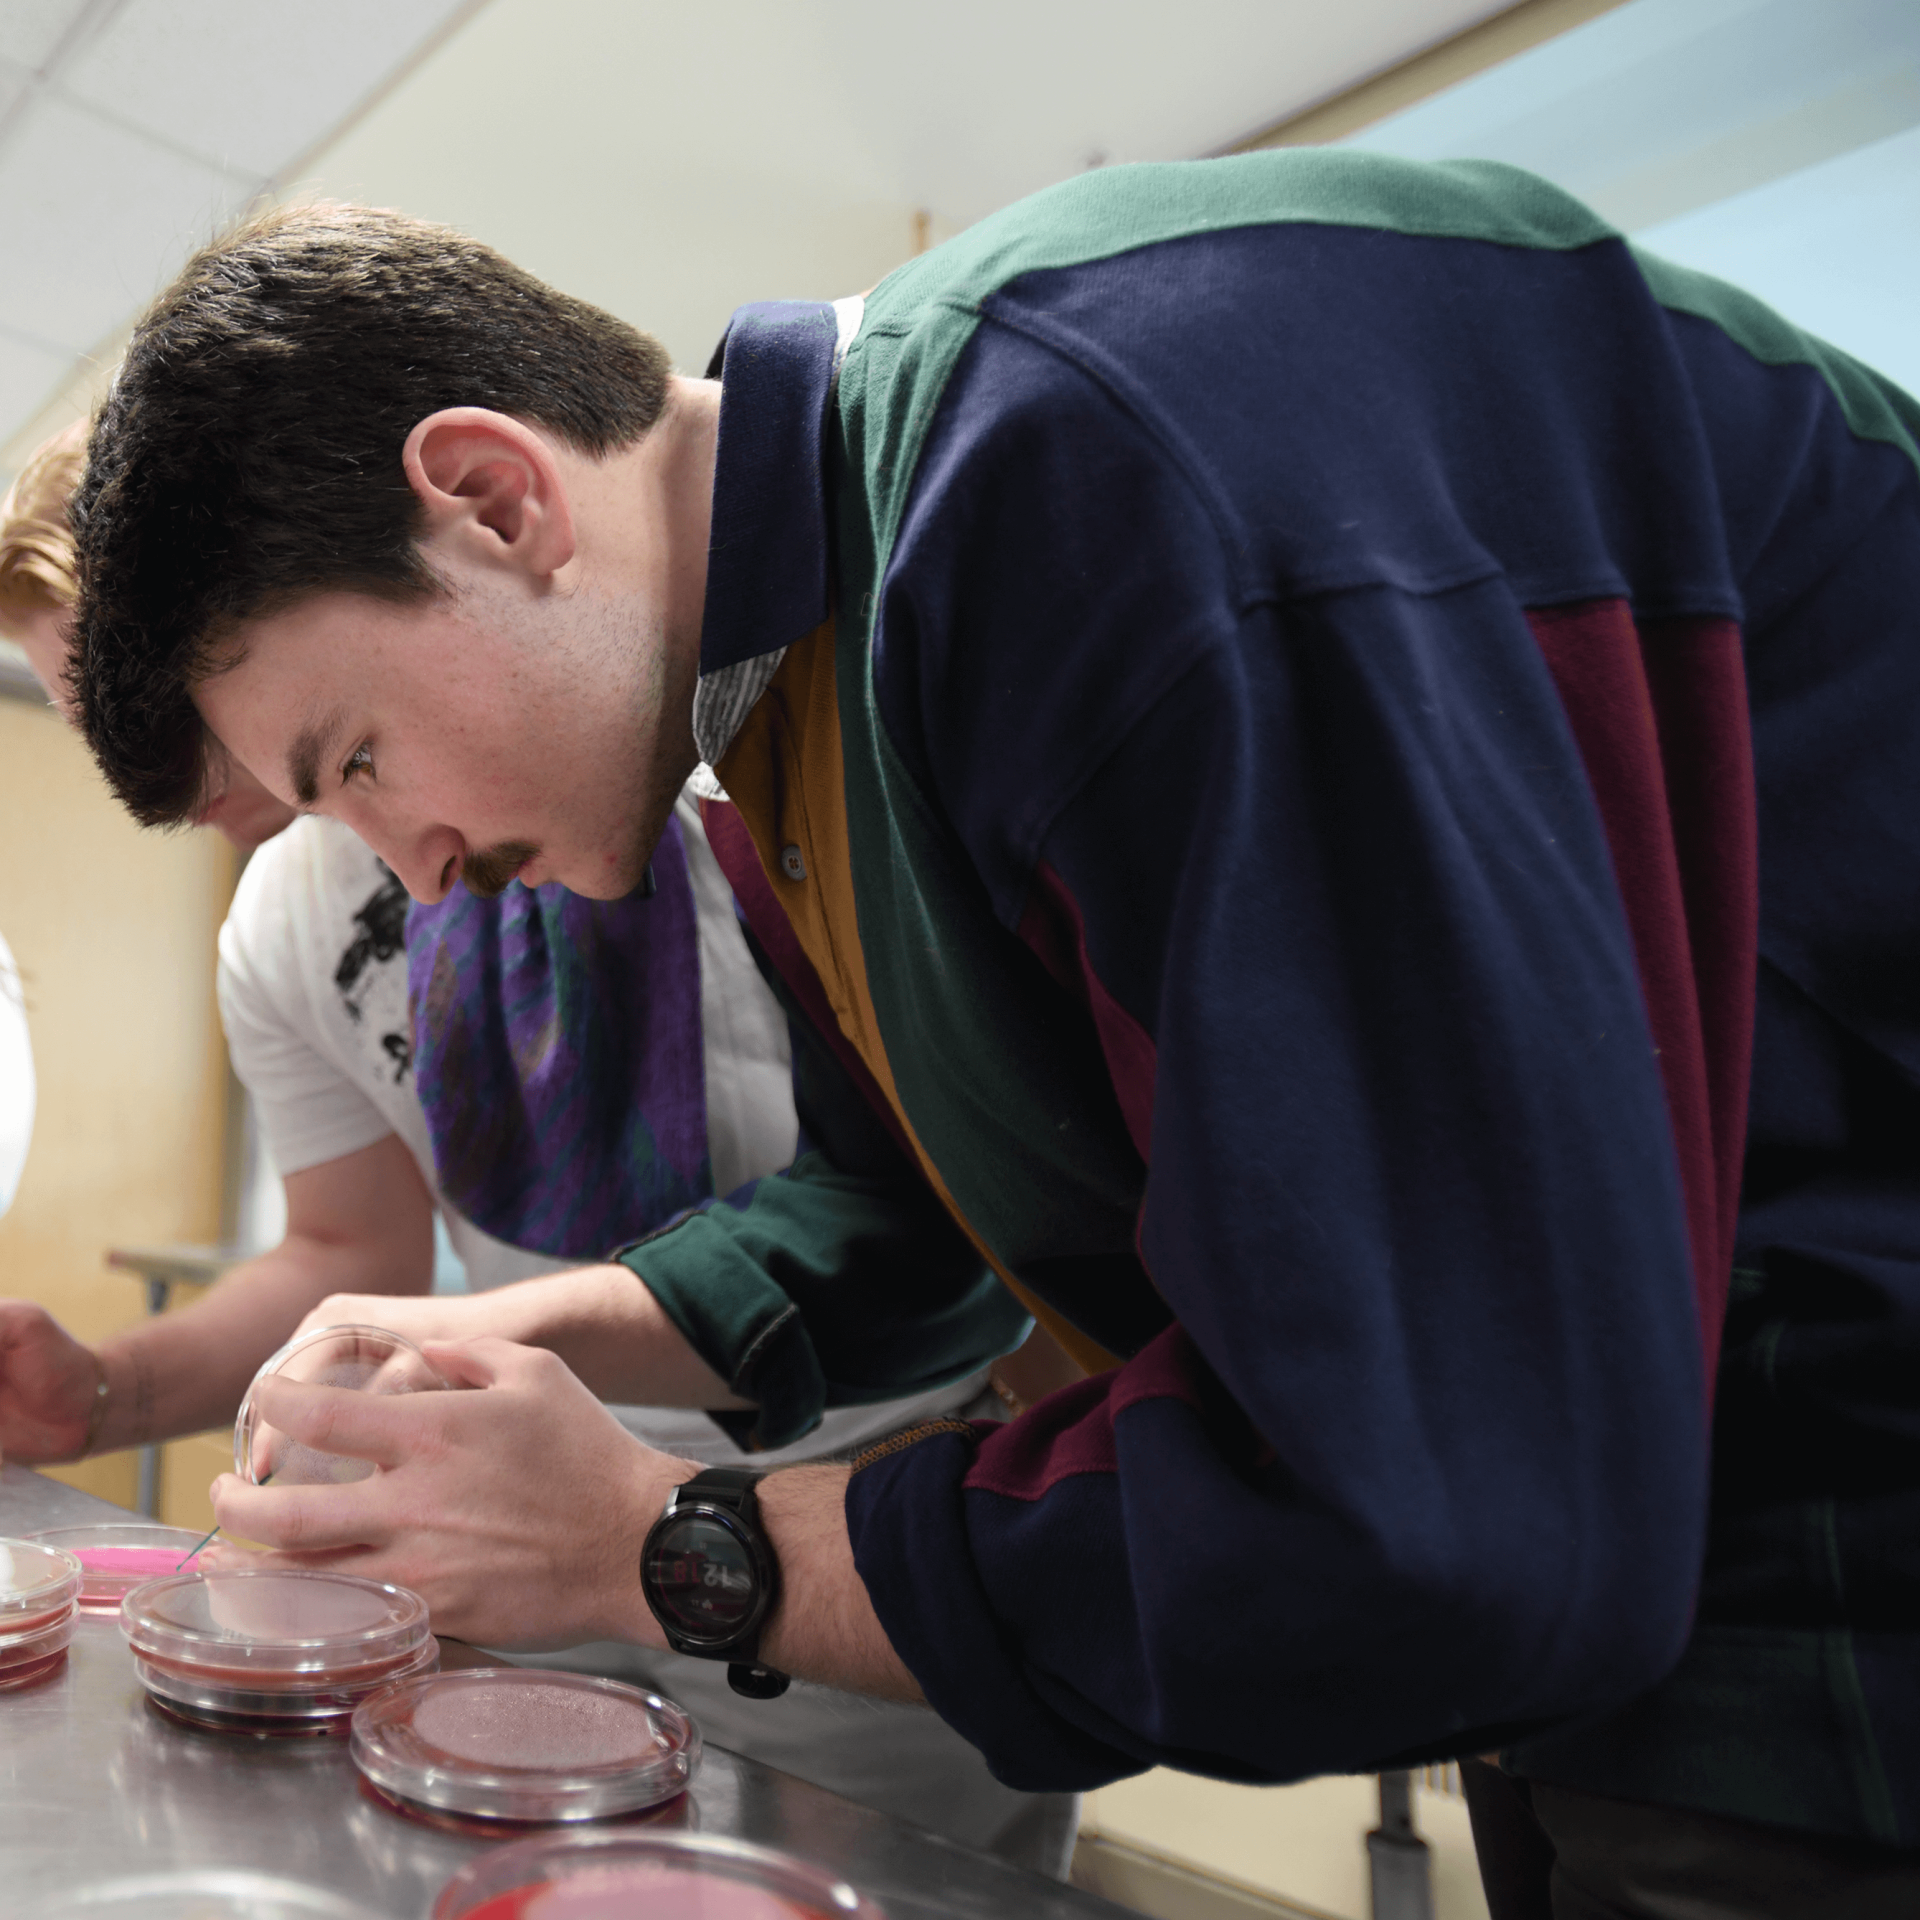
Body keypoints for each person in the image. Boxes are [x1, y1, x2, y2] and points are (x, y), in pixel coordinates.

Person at [67, 153, 1920, 1914]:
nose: (426, 875)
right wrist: (506, 1334)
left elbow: (1455, 1505)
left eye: (361, 761)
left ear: (493, 496)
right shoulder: (791, 697)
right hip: (1636, 1658)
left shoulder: (1081, 473)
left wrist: (664, 1543)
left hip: (1835, 1621)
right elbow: (920, 1216)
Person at [0, 437, 1072, 1871]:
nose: (149, 783)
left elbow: (932, 1228)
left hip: (851, 1514)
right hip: (509, 1540)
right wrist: (113, 1390)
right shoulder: (284, 925)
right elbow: (345, 1259)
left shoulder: (721, 793)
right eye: (88, 730)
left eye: (146, 705)